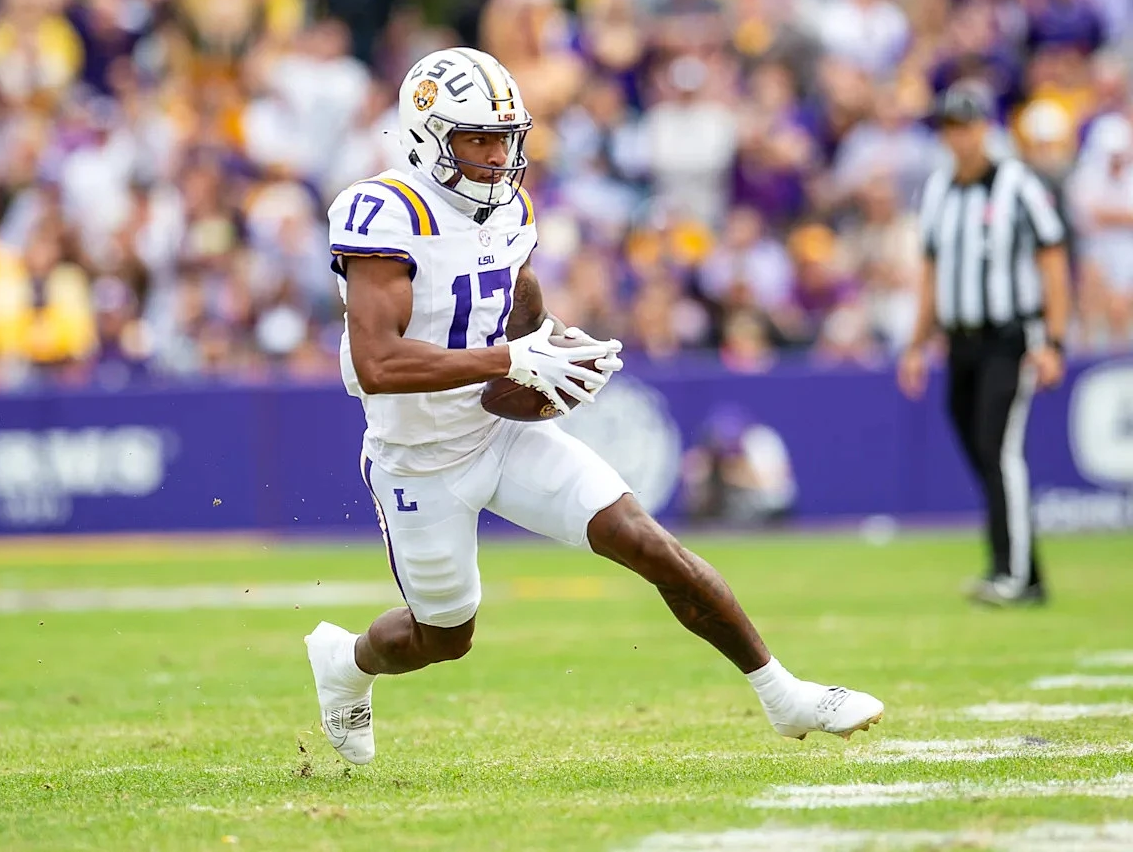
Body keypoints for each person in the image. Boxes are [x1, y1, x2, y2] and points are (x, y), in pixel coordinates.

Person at [306, 47, 883, 765]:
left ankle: (782, 693)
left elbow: (517, 296)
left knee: (647, 542)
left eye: (504, 138)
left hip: (496, 434)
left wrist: (554, 345)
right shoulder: (384, 213)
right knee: (444, 636)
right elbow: (379, 363)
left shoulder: (508, 206)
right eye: (477, 139)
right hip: (417, 460)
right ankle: (346, 663)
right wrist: (512, 359)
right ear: (427, 137)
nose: (497, 157)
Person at [899, 82, 1071, 606]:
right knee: (982, 450)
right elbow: (931, 272)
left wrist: (1054, 339)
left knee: (999, 448)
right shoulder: (937, 189)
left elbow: (1053, 259)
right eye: (950, 127)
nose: (959, 137)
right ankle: (1023, 570)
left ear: (985, 129)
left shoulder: (1017, 183)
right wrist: (916, 343)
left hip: (1008, 337)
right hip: (960, 343)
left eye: (967, 126)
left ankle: (1011, 576)